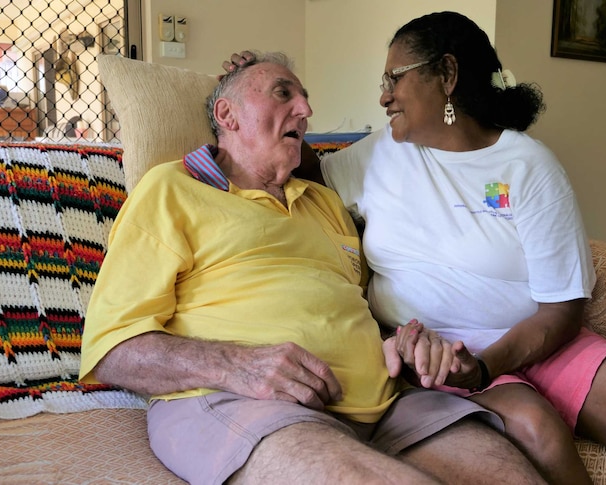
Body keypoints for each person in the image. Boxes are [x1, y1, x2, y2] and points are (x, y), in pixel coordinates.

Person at [226, 11, 606, 485]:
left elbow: (562, 307)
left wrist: (487, 367)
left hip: (532, 340)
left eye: (394, 78)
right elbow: (298, 168)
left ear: (448, 74)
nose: (383, 95)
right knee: (536, 430)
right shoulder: (378, 155)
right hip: (433, 351)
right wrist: (249, 93)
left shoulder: (528, 166)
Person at [79, 51, 545, 484]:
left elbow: (356, 313)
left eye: (303, 98)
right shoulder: (171, 189)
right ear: (227, 116)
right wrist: (238, 365)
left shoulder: (323, 200)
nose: (305, 108)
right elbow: (111, 349)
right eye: (284, 93)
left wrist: (404, 344)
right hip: (244, 404)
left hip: (388, 407)